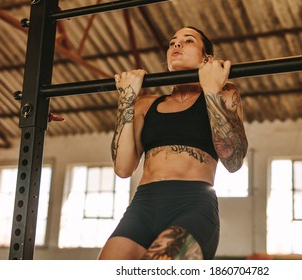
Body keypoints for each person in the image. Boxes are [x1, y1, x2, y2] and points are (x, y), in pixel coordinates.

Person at [98, 26, 248, 260]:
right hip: (143, 206)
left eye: (188, 41)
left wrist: (210, 90)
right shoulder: (145, 105)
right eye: (172, 42)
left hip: (193, 205)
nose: (176, 45)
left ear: (206, 58)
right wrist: (126, 100)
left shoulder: (225, 93)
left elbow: (234, 161)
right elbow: (123, 168)